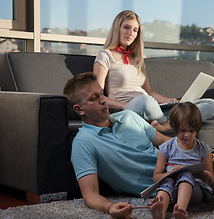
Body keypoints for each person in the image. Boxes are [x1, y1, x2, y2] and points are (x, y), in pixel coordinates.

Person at [63, 72, 169, 219]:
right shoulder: (83, 143)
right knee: (193, 190)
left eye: (101, 94)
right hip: (161, 186)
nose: (103, 100)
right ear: (79, 109)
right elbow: (90, 195)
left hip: (174, 166)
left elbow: (165, 142)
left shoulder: (129, 116)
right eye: (94, 98)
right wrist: (110, 207)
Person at [93, 10, 214, 131]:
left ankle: (167, 125)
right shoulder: (105, 55)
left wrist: (174, 101)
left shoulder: (137, 59)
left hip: (152, 108)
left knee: (210, 104)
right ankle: (172, 123)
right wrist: (124, 106)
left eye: (135, 30)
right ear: (117, 28)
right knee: (144, 100)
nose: (131, 33)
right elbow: (98, 96)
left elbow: (150, 92)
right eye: (126, 27)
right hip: (127, 109)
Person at [150, 102, 214, 219]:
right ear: (175, 128)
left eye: (191, 131)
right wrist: (172, 172)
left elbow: (212, 180)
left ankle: (181, 209)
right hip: (172, 192)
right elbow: (156, 177)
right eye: (183, 130)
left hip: (195, 192)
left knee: (185, 174)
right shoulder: (166, 147)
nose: (187, 135)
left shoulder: (204, 149)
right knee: (167, 182)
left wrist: (205, 175)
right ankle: (161, 211)